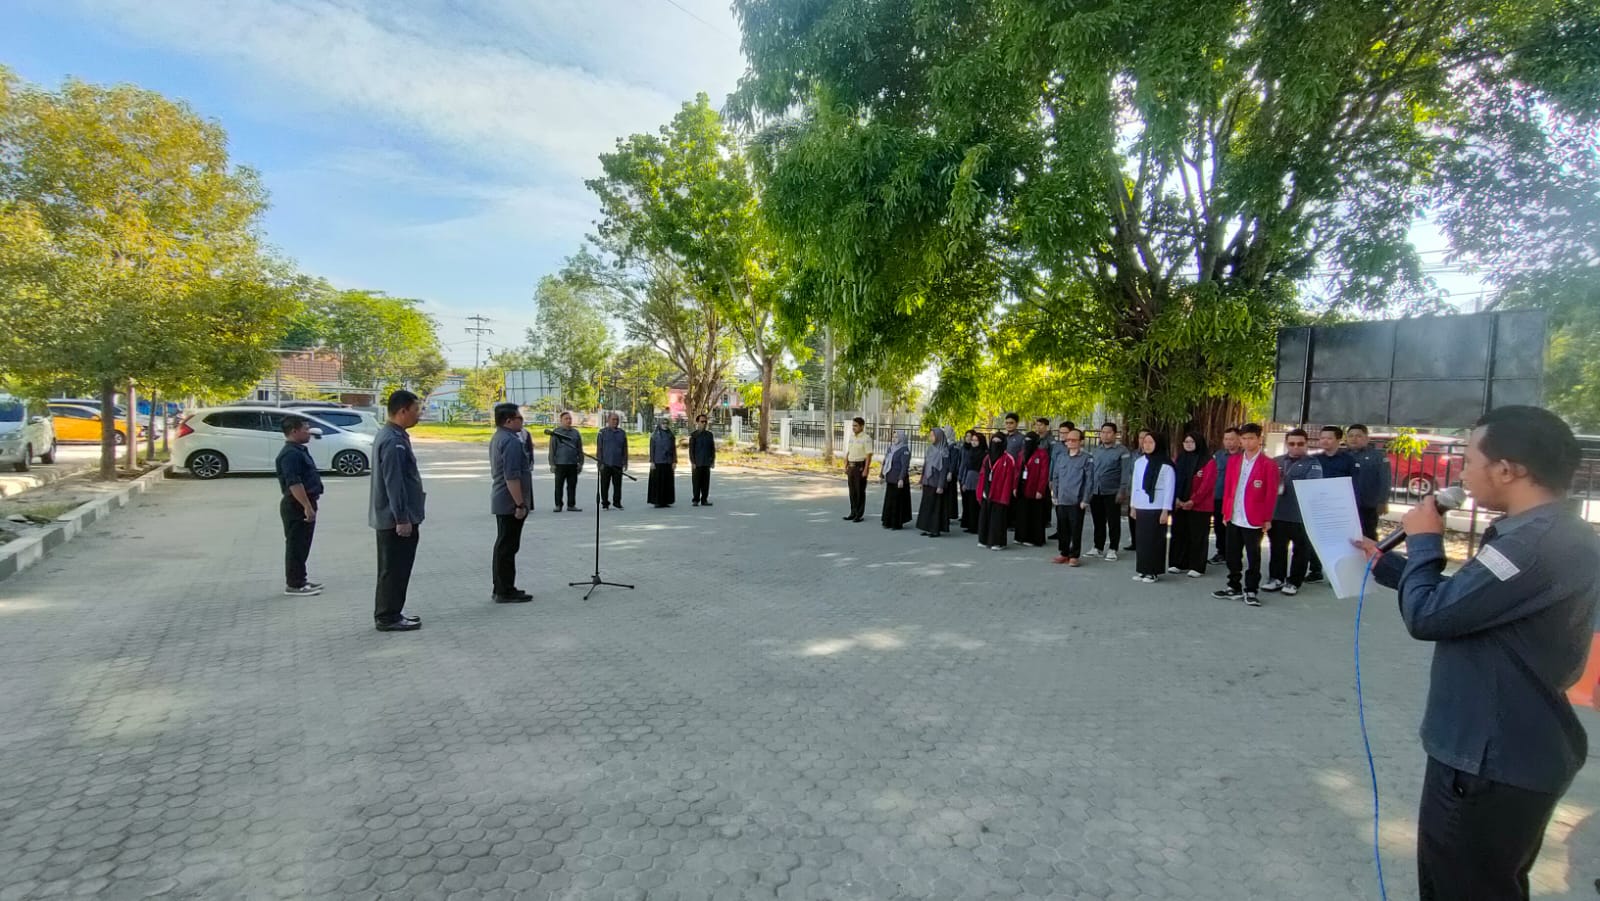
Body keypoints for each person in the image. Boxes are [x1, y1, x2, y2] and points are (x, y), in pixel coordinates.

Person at [1352, 406, 1599, 901]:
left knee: (1461, 887)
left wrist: (1425, 542)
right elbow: (1473, 603)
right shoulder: (1550, 534)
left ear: (1508, 470)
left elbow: (1429, 617)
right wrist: (1392, 567)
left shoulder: (1530, 545)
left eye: (1468, 460)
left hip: (1489, 759)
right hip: (1510, 753)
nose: (1461, 473)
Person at [370, 390, 425, 632]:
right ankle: (388, 616)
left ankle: (392, 612)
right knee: (394, 569)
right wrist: (402, 518)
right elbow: (394, 483)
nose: (419, 415)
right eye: (416, 410)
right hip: (395, 519)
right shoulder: (393, 441)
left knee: (395, 569)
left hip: (394, 516)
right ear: (402, 411)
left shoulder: (394, 435)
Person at [1213, 423, 1279, 607]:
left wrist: (1267, 518)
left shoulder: (1268, 464)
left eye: (1251, 438)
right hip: (1234, 515)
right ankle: (1233, 586)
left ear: (1259, 439)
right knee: (1232, 554)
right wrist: (1226, 512)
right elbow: (1228, 489)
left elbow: (1271, 494)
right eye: (1244, 438)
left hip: (1254, 517)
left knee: (1253, 555)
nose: (1247, 442)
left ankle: (1251, 589)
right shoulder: (1234, 461)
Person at [1265, 428, 1323, 596]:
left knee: (1300, 550)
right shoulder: (1276, 461)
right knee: (1277, 548)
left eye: (1300, 444)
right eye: (1292, 443)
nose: (1296, 447)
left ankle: (1294, 582)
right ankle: (1276, 578)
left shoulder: (1313, 463)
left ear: (1306, 444)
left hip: (1301, 516)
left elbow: (1313, 486)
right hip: (1277, 513)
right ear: (1286, 444)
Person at [488, 402, 533, 603]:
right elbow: (512, 476)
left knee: (504, 546)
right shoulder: (511, 442)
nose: (521, 421)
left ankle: (501, 587)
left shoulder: (499, 436)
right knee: (507, 547)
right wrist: (520, 504)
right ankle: (504, 590)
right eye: (519, 418)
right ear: (508, 420)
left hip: (503, 499)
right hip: (509, 502)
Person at [274, 415, 324, 597]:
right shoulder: (291, 454)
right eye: (305, 429)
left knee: (302, 545)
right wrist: (306, 506)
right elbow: (294, 483)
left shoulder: (299, 450)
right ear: (294, 431)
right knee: (296, 545)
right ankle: (294, 584)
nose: (309, 432)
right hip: (296, 505)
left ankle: (301, 579)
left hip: (304, 502)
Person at [1302, 425, 1354, 583]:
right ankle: (1315, 570)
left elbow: (1354, 484)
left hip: (1338, 507)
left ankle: (1337, 575)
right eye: (1322, 438)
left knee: (1337, 542)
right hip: (1318, 505)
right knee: (1315, 539)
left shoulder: (1348, 460)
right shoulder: (1314, 459)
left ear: (1338, 440)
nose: (1325, 441)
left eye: (1329, 438)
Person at [1169, 431, 1216, 578]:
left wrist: (1193, 501)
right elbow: (1173, 480)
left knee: (1198, 535)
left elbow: (1207, 485)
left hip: (1200, 505)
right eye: (1186, 442)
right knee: (1179, 533)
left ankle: (1196, 566)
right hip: (1179, 504)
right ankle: (1178, 563)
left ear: (1198, 443)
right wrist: (1176, 498)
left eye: (1192, 442)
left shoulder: (1208, 461)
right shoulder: (1180, 458)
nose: (1188, 445)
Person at [1129, 432, 1175, 583]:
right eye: (1145, 442)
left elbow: (1169, 489)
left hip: (1157, 506)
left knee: (1154, 540)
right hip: (1141, 505)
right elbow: (1135, 485)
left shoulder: (1166, 465)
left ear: (1158, 444)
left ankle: (1153, 571)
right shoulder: (1139, 462)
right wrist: (1133, 506)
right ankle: (1143, 569)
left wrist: (1165, 510)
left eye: (1151, 442)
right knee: (1142, 540)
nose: (1147, 445)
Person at [1088, 423, 1134, 561]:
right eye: (1103, 432)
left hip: (1112, 491)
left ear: (1115, 434)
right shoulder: (1096, 450)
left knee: (1113, 521)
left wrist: (1122, 490)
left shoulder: (1122, 451)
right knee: (1098, 521)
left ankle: (1113, 548)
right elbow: (1091, 471)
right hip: (1096, 490)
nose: (1105, 435)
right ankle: (1098, 547)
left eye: (1108, 432)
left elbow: (1125, 472)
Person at [1049, 426, 1092, 565]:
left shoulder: (1087, 458)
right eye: (1068, 440)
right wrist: (1054, 495)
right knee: (1062, 528)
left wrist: (1085, 499)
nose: (1070, 442)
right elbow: (1056, 477)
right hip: (1062, 499)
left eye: (1074, 440)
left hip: (1076, 500)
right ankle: (1064, 553)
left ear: (1081, 441)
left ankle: (1074, 555)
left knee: (1076, 529)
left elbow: (1089, 480)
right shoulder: (1061, 457)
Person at [1347, 424, 1392, 540]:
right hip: (1347, 504)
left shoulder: (1377, 456)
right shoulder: (1342, 455)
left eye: (1358, 436)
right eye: (1351, 436)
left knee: (1368, 535)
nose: (1354, 439)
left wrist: (1383, 501)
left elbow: (1385, 480)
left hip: (1368, 505)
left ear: (1367, 439)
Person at [976, 433, 1018, 550]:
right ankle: (984, 539)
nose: (995, 444)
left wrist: (1004, 497)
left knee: (997, 519)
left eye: (998, 442)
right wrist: (980, 491)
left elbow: (1009, 479)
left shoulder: (1008, 459)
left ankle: (998, 542)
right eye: (993, 441)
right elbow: (982, 475)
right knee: (984, 517)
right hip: (986, 491)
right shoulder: (987, 458)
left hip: (999, 494)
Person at [1014, 432, 1051, 547]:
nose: (1027, 443)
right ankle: (1021, 536)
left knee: (1035, 514)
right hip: (1022, 486)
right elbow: (1017, 471)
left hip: (1034, 488)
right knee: (1022, 513)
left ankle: (1034, 538)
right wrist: (1014, 487)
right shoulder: (1021, 454)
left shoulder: (1042, 454)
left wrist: (1040, 490)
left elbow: (1044, 473)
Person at [1209, 427, 1240, 564]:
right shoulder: (1218, 455)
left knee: (1234, 528)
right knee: (1219, 526)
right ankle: (1221, 552)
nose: (1228, 442)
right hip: (1219, 496)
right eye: (1226, 439)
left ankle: (1234, 554)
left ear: (1239, 440)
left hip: (1236, 498)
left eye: (1231, 439)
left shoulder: (1244, 456)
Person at [915, 427, 950, 537]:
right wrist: (922, 479)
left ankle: (935, 530)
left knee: (935, 507)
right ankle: (926, 527)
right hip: (928, 481)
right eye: (930, 435)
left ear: (939, 437)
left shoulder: (944, 451)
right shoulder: (930, 449)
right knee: (926, 506)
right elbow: (925, 465)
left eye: (933, 435)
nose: (931, 437)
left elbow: (944, 470)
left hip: (936, 483)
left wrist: (940, 485)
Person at [548, 411, 584, 513]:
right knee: (558, 486)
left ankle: (571, 505)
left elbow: (580, 449)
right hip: (560, 464)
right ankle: (558, 505)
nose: (569, 420)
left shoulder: (575, 433)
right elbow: (552, 449)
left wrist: (581, 463)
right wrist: (552, 464)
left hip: (572, 464)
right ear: (561, 420)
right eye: (566, 419)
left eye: (570, 419)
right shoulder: (556, 433)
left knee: (572, 486)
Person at [880, 430, 913, 530]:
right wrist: (882, 474)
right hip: (890, 478)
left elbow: (904, 466)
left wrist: (901, 479)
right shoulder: (891, 448)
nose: (894, 439)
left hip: (898, 480)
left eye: (896, 437)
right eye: (893, 437)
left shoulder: (904, 450)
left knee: (897, 502)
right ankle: (887, 521)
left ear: (901, 438)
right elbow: (885, 461)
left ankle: (896, 523)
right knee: (889, 501)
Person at [596, 412, 629, 511]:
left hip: (617, 463)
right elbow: (599, 449)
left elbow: (625, 448)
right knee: (604, 485)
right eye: (613, 419)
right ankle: (605, 503)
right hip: (606, 463)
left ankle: (617, 502)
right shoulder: (602, 432)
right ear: (608, 420)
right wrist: (599, 462)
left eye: (617, 420)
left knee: (617, 485)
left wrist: (625, 462)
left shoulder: (622, 433)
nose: (615, 421)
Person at [843, 417, 873, 523]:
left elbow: (869, 455)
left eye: (855, 426)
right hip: (851, 467)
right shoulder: (851, 437)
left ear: (862, 426)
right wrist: (846, 464)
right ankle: (853, 512)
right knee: (852, 492)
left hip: (860, 467)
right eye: (853, 425)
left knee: (859, 491)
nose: (853, 427)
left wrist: (866, 469)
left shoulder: (866, 438)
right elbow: (849, 451)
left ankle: (859, 515)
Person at [647, 417, 677, 508]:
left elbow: (674, 449)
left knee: (667, 482)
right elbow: (652, 449)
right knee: (657, 482)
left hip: (668, 462)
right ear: (660, 424)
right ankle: (657, 501)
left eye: (666, 423)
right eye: (663, 423)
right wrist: (652, 461)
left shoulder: (671, 435)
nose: (665, 425)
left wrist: (674, 461)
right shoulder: (654, 435)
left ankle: (666, 501)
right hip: (657, 461)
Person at [959, 429, 985, 534]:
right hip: (969, 479)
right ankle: (971, 525)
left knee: (976, 504)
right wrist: (964, 481)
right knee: (969, 503)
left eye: (976, 440)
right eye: (972, 440)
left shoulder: (984, 453)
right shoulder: (970, 452)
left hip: (978, 479)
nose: (973, 442)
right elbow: (966, 467)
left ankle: (977, 526)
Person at [688, 413, 716, 506]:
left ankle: (704, 500)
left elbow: (712, 449)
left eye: (705, 422)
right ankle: (696, 500)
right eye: (702, 421)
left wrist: (712, 461)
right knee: (696, 482)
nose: (704, 423)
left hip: (706, 462)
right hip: (697, 463)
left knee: (705, 483)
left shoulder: (709, 435)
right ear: (697, 422)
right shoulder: (694, 435)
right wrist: (692, 462)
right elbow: (691, 450)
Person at [942, 426, 963, 524]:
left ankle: (949, 514)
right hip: (945, 473)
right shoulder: (945, 443)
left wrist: (950, 472)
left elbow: (954, 461)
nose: (945, 433)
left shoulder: (953, 446)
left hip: (950, 474)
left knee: (949, 494)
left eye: (946, 431)